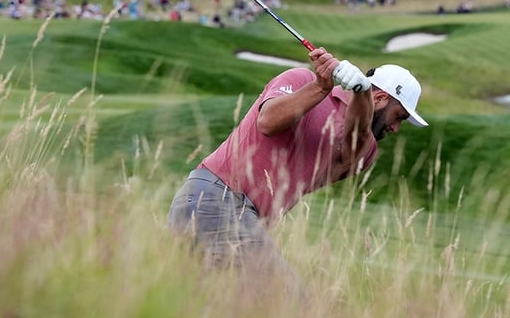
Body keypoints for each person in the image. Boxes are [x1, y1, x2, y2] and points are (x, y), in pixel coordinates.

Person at [167, 47, 428, 296]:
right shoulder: (301, 79)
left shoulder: (367, 149)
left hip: (242, 219)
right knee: (290, 303)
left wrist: (361, 96)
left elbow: (354, 141)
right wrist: (319, 87)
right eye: (399, 116)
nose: (396, 128)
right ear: (381, 98)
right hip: (213, 199)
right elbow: (267, 122)